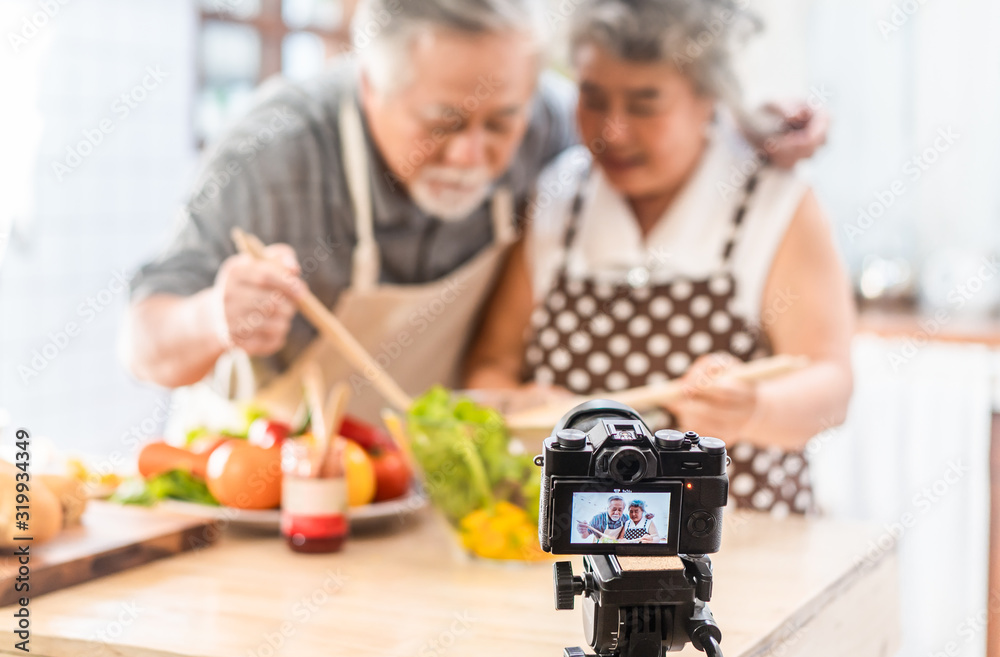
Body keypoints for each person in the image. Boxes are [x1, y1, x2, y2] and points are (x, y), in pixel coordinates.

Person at [124, 0, 829, 421]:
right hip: (257, 494)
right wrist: (216, 315)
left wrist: (748, 122)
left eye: (501, 121)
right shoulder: (273, 152)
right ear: (370, 86)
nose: (473, 155)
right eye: (442, 122)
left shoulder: (551, 127)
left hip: (412, 497)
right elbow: (144, 345)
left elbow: (639, 123)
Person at [464, 0, 855, 516]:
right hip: (585, 543)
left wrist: (752, 411)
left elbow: (830, 381)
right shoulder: (558, 196)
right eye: (594, 98)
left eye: (646, 104)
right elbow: (491, 366)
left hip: (740, 540)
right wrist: (515, 406)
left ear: (708, 99)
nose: (614, 130)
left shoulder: (773, 201)